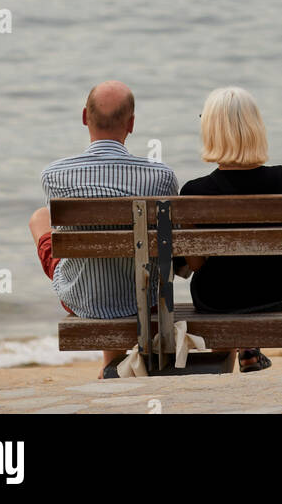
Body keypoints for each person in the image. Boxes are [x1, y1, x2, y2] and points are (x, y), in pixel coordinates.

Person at [29, 80, 178, 375]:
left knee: (39, 218)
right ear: (131, 124)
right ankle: (112, 365)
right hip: (141, 297)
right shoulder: (161, 177)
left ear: (85, 117)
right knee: (130, 254)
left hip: (81, 299)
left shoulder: (54, 175)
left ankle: (112, 365)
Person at [180, 86, 282, 372]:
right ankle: (248, 346)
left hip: (215, 300)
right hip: (276, 296)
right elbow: (281, 247)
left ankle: (228, 365)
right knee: (266, 272)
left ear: (210, 130)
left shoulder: (194, 193)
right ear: (255, 127)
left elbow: (195, 265)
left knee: (222, 282)